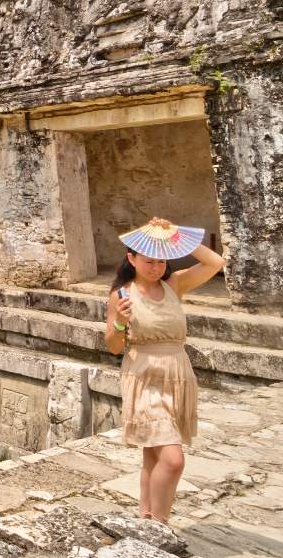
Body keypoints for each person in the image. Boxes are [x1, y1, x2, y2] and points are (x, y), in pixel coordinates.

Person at [104, 217, 224, 523]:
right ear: (131, 259)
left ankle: (146, 517)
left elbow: (215, 261)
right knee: (172, 460)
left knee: (153, 454)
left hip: (177, 374)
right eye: (148, 261)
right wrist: (119, 322)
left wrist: (175, 235)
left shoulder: (174, 284)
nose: (156, 267)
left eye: (161, 261)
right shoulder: (122, 295)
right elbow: (114, 346)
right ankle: (160, 525)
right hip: (144, 377)